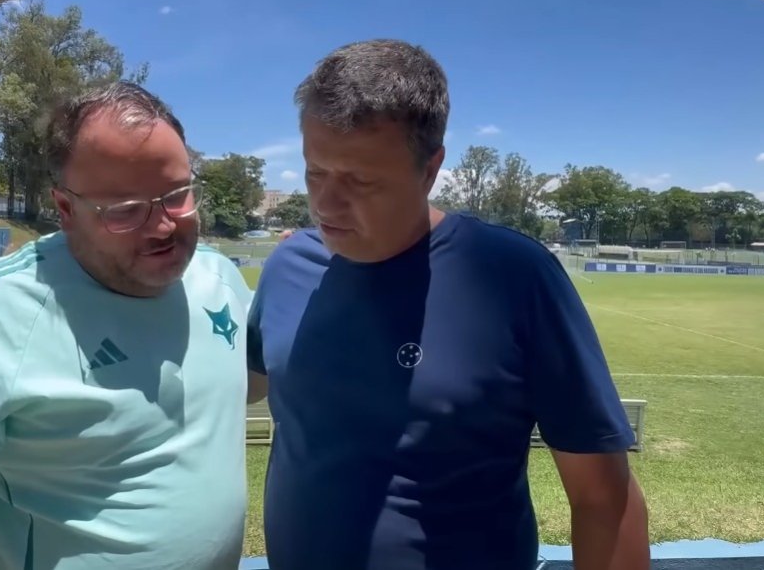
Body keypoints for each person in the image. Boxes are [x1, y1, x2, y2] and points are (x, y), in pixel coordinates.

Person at [246, 39, 650, 570]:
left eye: (360, 181)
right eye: (314, 171)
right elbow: (231, 392)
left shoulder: (515, 277)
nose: (325, 204)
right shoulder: (286, 267)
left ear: (430, 168)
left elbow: (605, 500)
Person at [0, 82, 253, 570]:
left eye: (177, 195)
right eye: (126, 210)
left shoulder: (219, 278)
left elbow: (243, 383)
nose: (163, 226)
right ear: (66, 209)